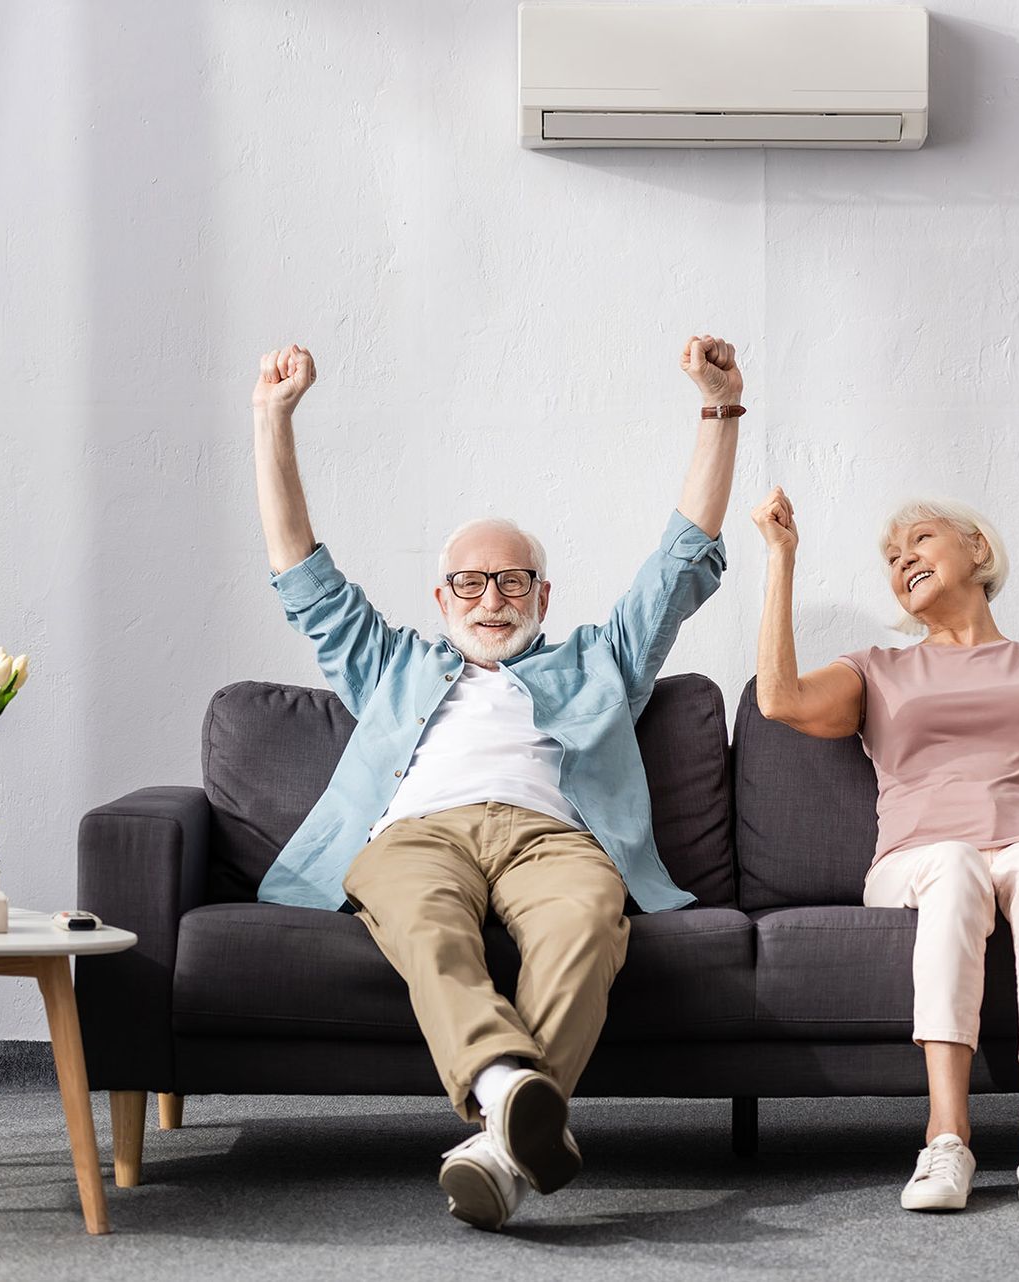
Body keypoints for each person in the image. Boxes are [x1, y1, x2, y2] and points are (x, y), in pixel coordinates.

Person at [249, 336, 746, 1230]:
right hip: (416, 836)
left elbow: (681, 561)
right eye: (469, 584)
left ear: (542, 598)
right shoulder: (389, 663)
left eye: (511, 582)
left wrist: (719, 409)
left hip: (549, 836)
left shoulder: (603, 661)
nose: (491, 599)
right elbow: (301, 574)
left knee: (588, 920)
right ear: (441, 601)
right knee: (426, 924)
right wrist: (271, 419)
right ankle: (511, 1092)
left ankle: (495, 1134)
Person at [749, 474, 1019, 1221]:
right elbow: (779, 699)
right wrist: (782, 556)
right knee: (952, 864)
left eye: (920, 539)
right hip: (917, 859)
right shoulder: (875, 669)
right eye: (890, 555)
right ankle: (946, 1138)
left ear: (976, 549)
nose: (902, 559)